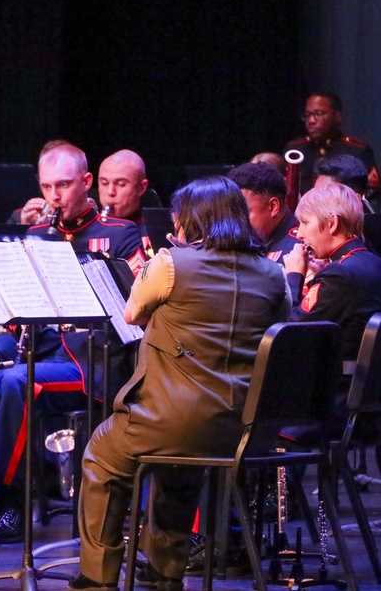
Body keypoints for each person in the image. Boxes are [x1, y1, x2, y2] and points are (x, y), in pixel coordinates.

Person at [69, 177, 288, 591]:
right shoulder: (274, 274)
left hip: (168, 419)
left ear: (192, 220)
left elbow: (132, 314)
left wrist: (170, 256)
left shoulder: (170, 263)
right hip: (242, 428)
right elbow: (282, 327)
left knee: (102, 455)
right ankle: (164, 573)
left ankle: (96, 578)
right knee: (178, 465)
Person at [0, 143, 146, 543]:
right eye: (47, 187)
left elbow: (137, 315)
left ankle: (8, 499)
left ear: (86, 182)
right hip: (43, 351)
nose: (54, 196)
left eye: (63, 185)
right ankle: (22, 487)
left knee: (18, 383)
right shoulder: (36, 235)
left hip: (96, 359)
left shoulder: (122, 234)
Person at [283, 183, 381, 366]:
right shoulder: (373, 261)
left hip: (336, 389)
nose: (299, 234)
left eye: (305, 223)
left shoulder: (339, 274)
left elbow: (291, 332)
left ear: (332, 223)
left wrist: (294, 275)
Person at [283, 91, 379, 203]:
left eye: (319, 114)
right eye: (307, 115)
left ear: (337, 116)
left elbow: (372, 195)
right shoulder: (294, 149)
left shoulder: (357, 151)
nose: (311, 121)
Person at [227, 162, 300, 264]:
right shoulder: (253, 241)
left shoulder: (299, 248)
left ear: (273, 207)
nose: (237, 221)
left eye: (244, 212)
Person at [97, 149, 152, 253]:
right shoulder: (88, 228)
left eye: (121, 184)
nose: (110, 192)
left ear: (141, 188)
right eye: (104, 183)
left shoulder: (155, 232)